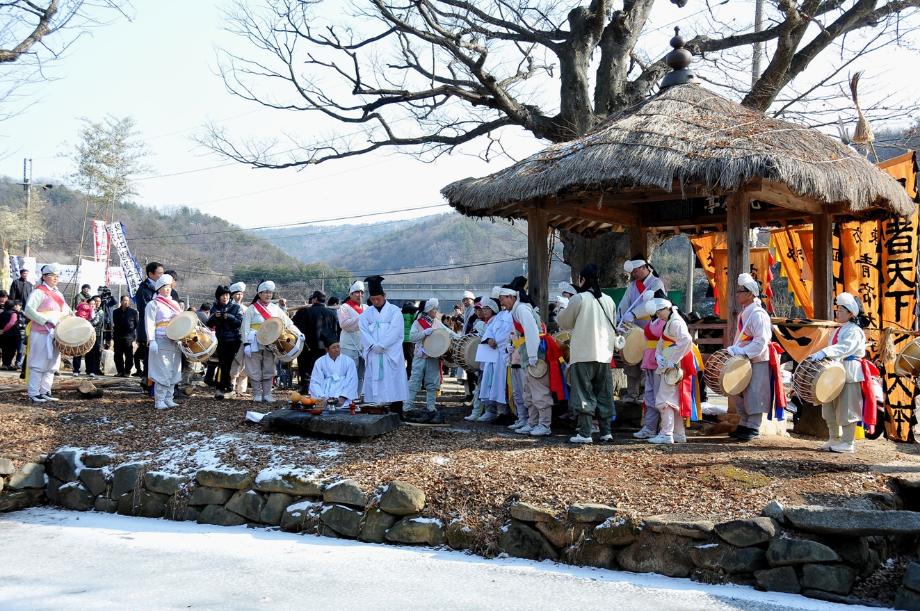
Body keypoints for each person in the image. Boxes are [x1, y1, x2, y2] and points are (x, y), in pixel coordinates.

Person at [806, 292, 876, 454]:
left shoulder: (855, 331)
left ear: (851, 313)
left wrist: (824, 352)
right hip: (834, 371)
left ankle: (847, 442)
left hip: (850, 370)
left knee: (847, 407)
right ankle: (834, 438)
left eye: (841, 310)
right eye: (837, 309)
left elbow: (845, 348)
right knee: (829, 405)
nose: (837, 313)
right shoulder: (840, 329)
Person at [557, 264, 618, 444]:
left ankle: (585, 433)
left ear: (582, 280)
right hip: (604, 354)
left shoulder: (579, 298)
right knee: (604, 393)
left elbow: (565, 323)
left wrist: (561, 309)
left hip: (583, 353)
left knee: (583, 392)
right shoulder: (609, 300)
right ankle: (606, 432)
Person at [499, 284, 564, 436]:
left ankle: (544, 425)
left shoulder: (521, 309)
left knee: (539, 389)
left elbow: (532, 331)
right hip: (527, 351)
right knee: (528, 389)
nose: (501, 302)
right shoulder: (518, 309)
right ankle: (533, 422)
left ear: (511, 297)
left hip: (536, 351)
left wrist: (533, 355)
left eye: (502, 299)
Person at [726, 273, 784, 441]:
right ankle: (744, 423)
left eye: (740, 291)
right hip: (744, 357)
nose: (737, 294)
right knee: (740, 390)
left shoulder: (758, 314)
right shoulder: (746, 312)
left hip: (756, 357)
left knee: (755, 391)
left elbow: (761, 340)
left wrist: (742, 351)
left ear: (750, 294)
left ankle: (754, 426)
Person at [647, 298, 700, 445]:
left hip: (674, 365)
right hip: (669, 362)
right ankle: (678, 433)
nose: (658, 315)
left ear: (666, 309)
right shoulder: (671, 321)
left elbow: (687, 340)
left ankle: (666, 433)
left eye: (659, 312)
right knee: (673, 398)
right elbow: (662, 343)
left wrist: (674, 360)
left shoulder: (675, 322)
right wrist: (658, 356)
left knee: (665, 398)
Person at [616, 258, 667, 405]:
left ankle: (646, 394)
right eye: (633, 272)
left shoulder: (656, 283)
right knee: (631, 361)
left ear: (644, 267)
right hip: (633, 330)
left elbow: (652, 304)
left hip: (651, 330)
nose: (634, 274)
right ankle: (632, 393)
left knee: (647, 363)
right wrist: (620, 317)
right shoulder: (632, 285)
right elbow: (625, 303)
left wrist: (634, 313)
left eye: (636, 271)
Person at [358, 276, 409, 414]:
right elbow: (363, 330)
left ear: (384, 296)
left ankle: (397, 411)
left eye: (378, 299)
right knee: (375, 381)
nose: (375, 302)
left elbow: (396, 331)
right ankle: (377, 409)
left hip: (390, 353)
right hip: (374, 352)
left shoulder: (394, 311)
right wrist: (373, 345)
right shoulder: (366, 313)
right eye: (373, 299)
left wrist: (382, 345)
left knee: (393, 381)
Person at [242, 280, 296, 404]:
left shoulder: (275, 309)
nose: (268, 295)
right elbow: (245, 326)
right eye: (265, 292)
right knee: (254, 368)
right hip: (254, 341)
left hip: (271, 343)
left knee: (269, 368)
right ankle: (256, 394)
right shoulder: (252, 308)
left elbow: (288, 322)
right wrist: (246, 344)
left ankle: (267, 394)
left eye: (270, 292)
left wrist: (297, 333)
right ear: (259, 294)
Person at [404, 298, 457, 424]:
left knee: (432, 383)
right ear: (429, 310)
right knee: (415, 380)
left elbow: (447, 331)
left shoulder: (437, 322)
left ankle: (431, 407)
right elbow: (412, 337)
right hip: (420, 356)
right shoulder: (418, 322)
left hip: (433, 356)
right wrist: (424, 333)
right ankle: (408, 406)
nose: (436, 311)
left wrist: (457, 336)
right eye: (434, 309)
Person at [24, 263, 71, 402]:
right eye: (52, 275)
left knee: (52, 364)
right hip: (40, 331)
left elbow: (66, 310)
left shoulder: (58, 293)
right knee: (38, 362)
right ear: (44, 277)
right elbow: (28, 310)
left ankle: (45, 390)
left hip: (56, 332)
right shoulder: (38, 292)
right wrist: (45, 319)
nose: (55, 278)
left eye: (57, 276)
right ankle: (33, 392)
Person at [145, 274, 183, 409]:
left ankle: (169, 397)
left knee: (174, 370)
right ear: (158, 289)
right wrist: (151, 340)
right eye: (164, 287)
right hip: (161, 339)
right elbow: (149, 323)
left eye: (169, 286)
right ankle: (159, 400)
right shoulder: (153, 304)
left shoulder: (175, 304)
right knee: (163, 370)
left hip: (176, 340)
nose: (167, 289)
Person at [468, 298, 508, 422]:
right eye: (483, 308)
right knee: (486, 384)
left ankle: (500, 411)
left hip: (497, 357)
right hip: (487, 358)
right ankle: (489, 410)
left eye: (487, 308)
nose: (484, 311)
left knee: (497, 383)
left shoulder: (498, 319)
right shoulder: (486, 322)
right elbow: (489, 335)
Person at [292, 290, 339, 393]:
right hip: (326, 347)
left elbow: (294, 327)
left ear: (315, 299)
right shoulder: (332, 313)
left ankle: (306, 388)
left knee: (307, 369)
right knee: (324, 369)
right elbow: (336, 331)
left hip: (307, 346)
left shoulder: (304, 312)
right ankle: (324, 389)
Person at [633, 300, 667, 440]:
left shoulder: (665, 321)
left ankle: (664, 428)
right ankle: (650, 427)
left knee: (660, 396)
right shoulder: (653, 320)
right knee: (649, 395)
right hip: (649, 358)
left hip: (660, 360)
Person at [208, 285, 243, 399]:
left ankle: (224, 387)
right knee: (223, 363)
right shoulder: (214, 307)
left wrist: (229, 317)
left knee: (226, 364)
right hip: (220, 340)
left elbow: (239, 323)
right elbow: (208, 323)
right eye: (222, 295)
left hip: (233, 340)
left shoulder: (236, 307)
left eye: (227, 295)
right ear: (218, 297)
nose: (225, 297)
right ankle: (224, 387)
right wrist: (215, 317)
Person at [134, 261, 164, 381]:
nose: (162, 276)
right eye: (159, 273)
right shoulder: (143, 290)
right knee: (149, 356)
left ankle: (153, 382)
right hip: (148, 329)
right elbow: (145, 310)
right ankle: (147, 383)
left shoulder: (160, 289)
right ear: (151, 274)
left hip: (160, 329)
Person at [338, 280, 366, 397]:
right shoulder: (344, 307)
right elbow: (344, 324)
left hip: (363, 345)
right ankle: (347, 397)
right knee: (349, 373)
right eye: (356, 292)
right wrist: (362, 318)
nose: (359, 294)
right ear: (351, 294)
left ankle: (358, 396)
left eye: (361, 292)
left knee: (361, 375)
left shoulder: (366, 307)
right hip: (348, 345)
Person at [308, 341, 358, 407]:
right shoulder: (320, 362)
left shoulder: (349, 361)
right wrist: (322, 397)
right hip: (325, 393)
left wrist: (343, 397)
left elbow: (352, 380)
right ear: (327, 349)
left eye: (338, 347)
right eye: (334, 348)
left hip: (343, 392)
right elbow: (315, 382)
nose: (337, 350)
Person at [228, 281, 250, 396]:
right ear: (232, 295)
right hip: (233, 339)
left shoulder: (246, 308)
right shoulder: (229, 307)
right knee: (235, 363)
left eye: (241, 293)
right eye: (237, 293)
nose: (239, 296)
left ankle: (242, 389)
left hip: (245, 339)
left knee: (245, 364)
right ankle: (231, 387)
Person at [112, 295, 137, 377]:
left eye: (127, 300)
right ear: (121, 301)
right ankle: (120, 371)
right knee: (118, 355)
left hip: (128, 337)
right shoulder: (115, 312)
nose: (126, 302)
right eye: (124, 300)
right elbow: (115, 323)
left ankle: (127, 371)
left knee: (129, 355)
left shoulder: (133, 312)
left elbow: (136, 324)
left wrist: (133, 336)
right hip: (118, 336)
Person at [72, 297, 93, 376]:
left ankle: (87, 370)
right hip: (81, 332)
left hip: (87, 333)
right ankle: (77, 370)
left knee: (87, 352)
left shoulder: (95, 312)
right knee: (78, 351)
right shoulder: (79, 311)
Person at [85, 295, 105, 377]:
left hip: (97, 334)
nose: (97, 303)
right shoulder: (88, 310)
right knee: (88, 352)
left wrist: (86, 323)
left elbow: (96, 322)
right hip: (87, 334)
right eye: (96, 301)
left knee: (96, 352)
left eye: (99, 301)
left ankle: (94, 369)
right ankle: (88, 369)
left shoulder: (100, 312)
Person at [0, 301, 20, 370]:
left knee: (5, 350)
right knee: (11, 351)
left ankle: (5, 364)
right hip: (13, 335)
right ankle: (7, 364)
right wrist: (4, 330)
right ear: (12, 306)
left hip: (3, 336)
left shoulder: (2, 313)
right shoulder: (14, 314)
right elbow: (11, 323)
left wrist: (2, 330)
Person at [401, 301, 419, 377]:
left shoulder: (401, 315)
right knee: (410, 360)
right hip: (409, 340)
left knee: (402, 359)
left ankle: (402, 374)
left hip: (401, 340)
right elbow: (416, 323)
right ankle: (408, 375)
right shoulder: (412, 315)